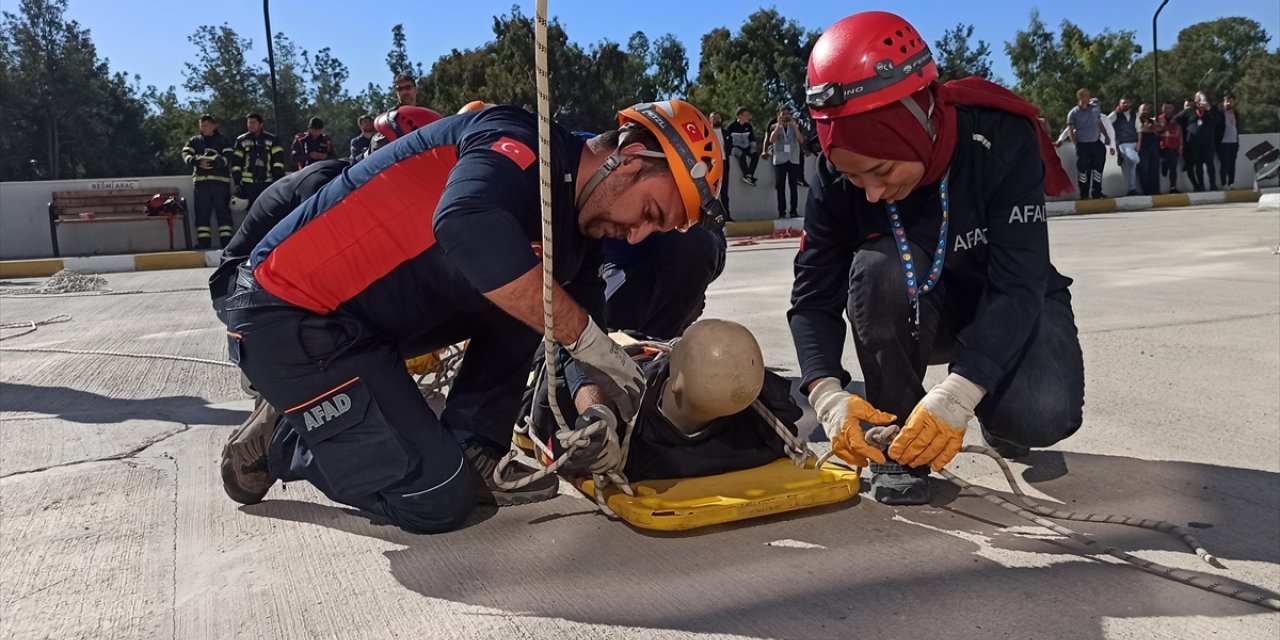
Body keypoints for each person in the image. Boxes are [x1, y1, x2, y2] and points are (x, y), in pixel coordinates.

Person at [218, 100, 726, 534]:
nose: (637, 235)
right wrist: (588, 339)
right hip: (288, 315)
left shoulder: (580, 237)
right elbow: (464, 225)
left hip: (369, 328)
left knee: (536, 299)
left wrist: (597, 414)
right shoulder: (516, 139)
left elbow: (574, 345)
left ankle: (473, 444)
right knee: (438, 500)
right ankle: (283, 437)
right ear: (630, 161)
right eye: (651, 214)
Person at [794, 11, 1084, 505]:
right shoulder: (835, 177)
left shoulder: (1000, 139)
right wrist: (824, 392)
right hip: (917, 308)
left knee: (1041, 412)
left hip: (1007, 299)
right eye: (856, 177)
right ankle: (900, 438)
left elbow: (1019, 282)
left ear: (920, 119)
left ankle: (994, 403)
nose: (872, 193)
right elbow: (813, 299)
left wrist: (962, 393)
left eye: (882, 170)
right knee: (877, 268)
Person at [526, 319, 802, 482]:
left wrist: (598, 414)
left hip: (620, 374)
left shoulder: (625, 442)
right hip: (640, 355)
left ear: (678, 380)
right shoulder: (767, 427)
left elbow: (571, 357)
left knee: (563, 351)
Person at [600, 226, 726, 341]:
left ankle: (657, 340)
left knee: (694, 239)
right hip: (612, 277)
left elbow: (701, 245)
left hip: (665, 255)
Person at [182, 114, 235, 249]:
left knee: (223, 214)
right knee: (202, 214)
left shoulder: (223, 140)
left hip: (220, 184)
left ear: (213, 126)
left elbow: (228, 156)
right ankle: (203, 243)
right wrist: (196, 160)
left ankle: (227, 244)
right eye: (201, 125)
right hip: (201, 184)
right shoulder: (195, 141)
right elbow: (186, 154)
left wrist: (216, 162)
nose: (203, 128)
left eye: (206, 125)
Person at [1066, 89, 1114, 199]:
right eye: (1086, 96)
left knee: (1098, 168)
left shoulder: (1094, 110)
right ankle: (1084, 194)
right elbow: (1070, 129)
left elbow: (1099, 123)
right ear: (1080, 98)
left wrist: (1106, 135)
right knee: (1083, 169)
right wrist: (1075, 143)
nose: (1088, 98)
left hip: (1096, 143)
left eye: (1088, 95)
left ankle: (1097, 192)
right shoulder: (1073, 112)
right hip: (1083, 144)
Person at [231, 113, 286, 209]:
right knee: (251, 213)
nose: (250, 125)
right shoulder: (241, 140)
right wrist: (237, 182)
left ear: (261, 124)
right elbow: (236, 161)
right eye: (249, 123)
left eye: (253, 122)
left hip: (267, 183)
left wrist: (277, 177)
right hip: (247, 185)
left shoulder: (272, 139)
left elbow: (278, 160)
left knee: (268, 211)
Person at [1174, 92, 1219, 192]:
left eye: (1202, 101)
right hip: (1194, 144)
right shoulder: (1190, 111)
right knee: (1198, 165)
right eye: (1198, 101)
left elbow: (1217, 119)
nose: (1200, 104)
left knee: (1210, 164)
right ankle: (1201, 185)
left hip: (1208, 143)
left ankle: (1213, 185)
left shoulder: (1212, 110)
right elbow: (1176, 119)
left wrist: (1209, 109)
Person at [768, 105, 807, 218]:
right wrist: (778, 126)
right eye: (783, 114)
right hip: (780, 159)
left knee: (793, 186)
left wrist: (795, 127)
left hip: (793, 158)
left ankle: (793, 210)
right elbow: (771, 140)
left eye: (788, 114)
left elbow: (800, 140)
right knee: (780, 187)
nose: (786, 116)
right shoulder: (774, 126)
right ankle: (781, 212)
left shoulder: (794, 126)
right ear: (779, 115)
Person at [1110, 98, 1141, 196]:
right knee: (1135, 160)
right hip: (1123, 143)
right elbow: (1105, 124)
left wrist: (1139, 142)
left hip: (1134, 143)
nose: (1126, 104)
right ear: (1120, 104)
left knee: (1132, 167)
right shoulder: (1115, 115)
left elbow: (1138, 129)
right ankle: (1121, 155)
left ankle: (1132, 189)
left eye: (1127, 102)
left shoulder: (1134, 115)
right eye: (1124, 103)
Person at [725, 108, 760, 186]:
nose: (748, 117)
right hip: (735, 147)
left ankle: (749, 175)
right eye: (746, 115)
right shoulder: (731, 127)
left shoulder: (748, 126)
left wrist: (753, 147)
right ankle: (746, 175)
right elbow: (727, 141)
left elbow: (752, 138)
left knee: (755, 155)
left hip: (746, 147)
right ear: (740, 116)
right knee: (741, 155)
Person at [709, 112, 732, 220]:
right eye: (714, 118)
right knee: (712, 191)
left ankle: (726, 215)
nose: (716, 120)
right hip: (712, 164)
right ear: (710, 120)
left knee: (724, 191)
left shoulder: (726, 133)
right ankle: (712, 216)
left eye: (718, 118)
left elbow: (730, 147)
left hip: (724, 163)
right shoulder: (707, 133)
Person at [1135, 103, 1161, 195]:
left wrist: (1151, 128)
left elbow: (1159, 129)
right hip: (1142, 148)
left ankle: (1154, 190)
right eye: (1143, 109)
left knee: (1153, 169)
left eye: (1147, 109)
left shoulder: (1152, 120)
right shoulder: (1136, 120)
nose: (1145, 111)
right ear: (1139, 111)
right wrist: (1151, 129)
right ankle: (1146, 190)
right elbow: (1141, 129)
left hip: (1153, 147)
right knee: (1143, 169)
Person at [1216, 94, 1241, 189]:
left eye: (1230, 101)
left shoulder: (1236, 114)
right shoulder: (1220, 114)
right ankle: (1224, 183)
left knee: (1232, 163)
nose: (1228, 103)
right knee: (1224, 163)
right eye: (1226, 101)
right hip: (1223, 142)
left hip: (1233, 141)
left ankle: (1231, 182)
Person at [1157, 103, 1182, 193]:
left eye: (1169, 108)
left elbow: (1180, 133)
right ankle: (1165, 165)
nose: (1167, 110)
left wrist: (1181, 146)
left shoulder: (1176, 119)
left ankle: (1173, 187)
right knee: (1172, 162)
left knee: (1173, 167)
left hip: (1174, 145)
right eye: (1166, 108)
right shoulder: (1158, 118)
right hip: (1163, 145)